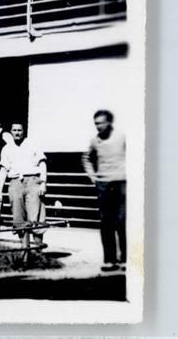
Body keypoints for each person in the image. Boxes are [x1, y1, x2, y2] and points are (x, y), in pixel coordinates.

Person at [81, 109, 126, 272]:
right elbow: (86, 158)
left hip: (122, 183)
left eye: (101, 123)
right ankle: (109, 260)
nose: (98, 126)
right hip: (103, 185)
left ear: (109, 122)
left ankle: (125, 260)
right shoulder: (95, 140)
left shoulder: (122, 138)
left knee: (122, 222)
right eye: (96, 124)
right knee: (106, 223)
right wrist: (93, 177)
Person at [0, 123, 48, 244]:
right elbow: (3, 170)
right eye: (14, 130)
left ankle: (38, 251)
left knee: (36, 219)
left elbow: (42, 164)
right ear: (11, 132)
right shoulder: (6, 148)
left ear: (24, 131)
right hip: (15, 183)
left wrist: (43, 183)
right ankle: (25, 251)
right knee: (19, 219)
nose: (17, 133)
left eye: (19, 130)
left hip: (33, 182)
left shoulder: (33, 144)